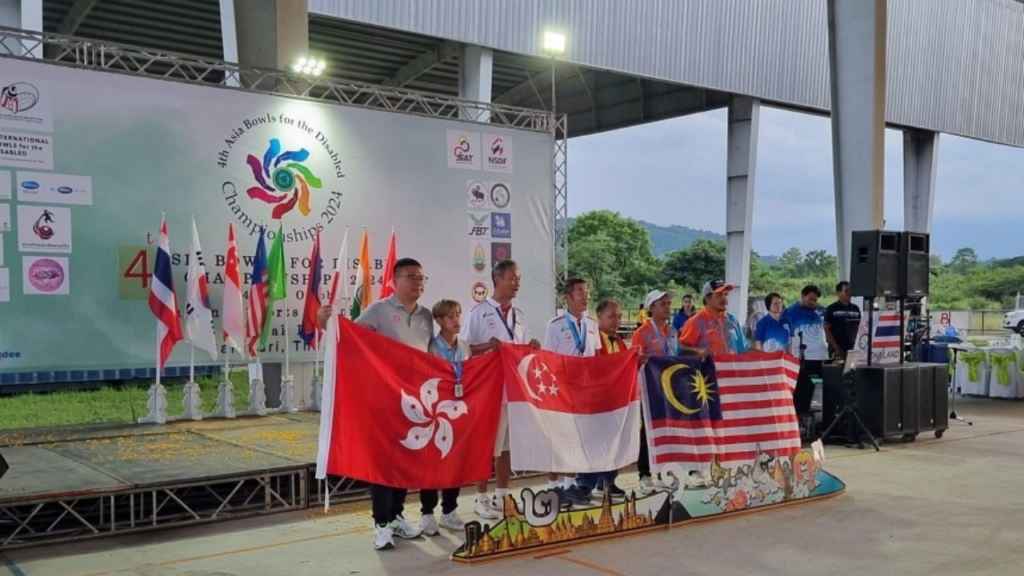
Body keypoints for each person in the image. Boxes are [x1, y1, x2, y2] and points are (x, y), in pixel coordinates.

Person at [316, 257, 430, 550]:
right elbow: (349, 338)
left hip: (414, 403)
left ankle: (396, 517)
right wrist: (325, 323)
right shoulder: (379, 310)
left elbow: (434, 355)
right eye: (412, 277)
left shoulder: (426, 317)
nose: (418, 283)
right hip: (383, 400)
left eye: (421, 278)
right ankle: (381, 525)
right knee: (383, 463)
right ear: (395, 280)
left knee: (405, 459)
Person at [459, 259, 541, 520]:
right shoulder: (479, 312)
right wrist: (487, 347)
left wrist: (532, 347)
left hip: (514, 392)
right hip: (489, 392)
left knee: (506, 447)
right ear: (498, 280)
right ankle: (480, 497)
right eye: (513, 278)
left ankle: (501, 496)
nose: (517, 283)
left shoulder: (519, 316)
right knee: (486, 446)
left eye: (518, 278)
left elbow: (520, 351)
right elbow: (464, 351)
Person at [542, 277, 599, 506]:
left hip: (583, 391)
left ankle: (570, 485)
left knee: (577, 439)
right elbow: (548, 360)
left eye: (587, 292)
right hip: (561, 390)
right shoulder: (555, 325)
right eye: (579, 292)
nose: (585, 296)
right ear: (567, 298)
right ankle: (553, 487)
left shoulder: (592, 324)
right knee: (558, 440)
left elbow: (594, 359)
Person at [419, 299, 471, 536]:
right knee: (431, 463)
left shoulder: (465, 347)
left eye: (458, 314)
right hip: (434, 411)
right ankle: (427, 513)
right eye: (450, 316)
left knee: (455, 462)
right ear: (439, 321)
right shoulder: (431, 347)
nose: (456, 320)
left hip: (457, 411)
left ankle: (449, 511)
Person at [576, 298, 632, 501]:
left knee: (613, 441)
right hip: (595, 400)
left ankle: (608, 480)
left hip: (615, 401)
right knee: (593, 442)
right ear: (598, 316)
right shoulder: (591, 338)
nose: (617, 320)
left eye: (619, 316)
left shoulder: (619, 341)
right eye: (612, 316)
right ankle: (585, 483)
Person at [632, 289, 680, 494]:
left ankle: (664, 473)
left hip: (670, 391)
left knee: (669, 432)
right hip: (649, 391)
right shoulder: (641, 333)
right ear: (651, 308)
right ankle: (644, 475)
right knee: (648, 433)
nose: (668, 307)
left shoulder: (674, 332)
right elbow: (633, 361)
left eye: (668, 303)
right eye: (663, 304)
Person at [782, 285, 826, 414]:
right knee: (803, 386)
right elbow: (786, 335)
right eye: (810, 299)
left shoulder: (817, 312)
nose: (813, 302)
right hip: (800, 357)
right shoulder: (791, 312)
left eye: (815, 300)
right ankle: (800, 414)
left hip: (818, 357)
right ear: (802, 296)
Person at [678, 280, 749, 357]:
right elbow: (680, 347)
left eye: (725, 294)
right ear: (707, 298)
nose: (724, 299)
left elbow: (743, 349)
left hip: (731, 368)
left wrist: (763, 356)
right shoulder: (695, 321)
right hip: (707, 368)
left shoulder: (732, 320)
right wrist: (697, 350)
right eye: (719, 295)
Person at [823, 281, 862, 360]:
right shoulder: (831, 309)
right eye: (846, 291)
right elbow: (827, 329)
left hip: (852, 349)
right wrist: (837, 348)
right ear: (838, 293)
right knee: (837, 371)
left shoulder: (855, 308)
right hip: (837, 349)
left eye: (850, 290)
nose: (849, 293)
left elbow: (859, 328)